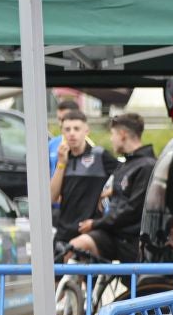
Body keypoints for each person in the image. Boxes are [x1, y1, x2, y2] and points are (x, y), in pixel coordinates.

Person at [65, 112, 155, 262]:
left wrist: (95, 223)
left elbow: (132, 210)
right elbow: (126, 194)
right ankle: (77, 286)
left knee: (77, 246)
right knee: (73, 249)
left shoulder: (146, 166)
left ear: (123, 134)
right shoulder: (127, 164)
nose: (111, 139)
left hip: (131, 241)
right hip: (114, 235)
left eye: (113, 134)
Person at [49, 109, 120, 248]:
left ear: (86, 131)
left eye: (76, 129)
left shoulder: (99, 155)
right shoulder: (62, 158)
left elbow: (127, 175)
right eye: (67, 129)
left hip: (90, 230)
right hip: (64, 230)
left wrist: (108, 192)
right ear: (62, 132)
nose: (72, 133)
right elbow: (51, 197)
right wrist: (61, 164)